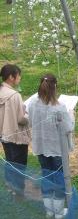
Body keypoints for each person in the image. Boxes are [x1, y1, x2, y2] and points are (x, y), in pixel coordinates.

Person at [29, 74, 74, 218]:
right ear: (55, 87)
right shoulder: (59, 107)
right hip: (56, 149)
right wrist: (72, 115)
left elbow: (30, 122)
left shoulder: (32, 104)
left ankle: (49, 210)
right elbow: (68, 128)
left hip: (40, 147)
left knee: (47, 176)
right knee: (59, 178)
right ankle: (59, 212)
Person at [0, 64, 30, 199]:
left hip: (4, 135)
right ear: (12, 77)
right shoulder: (14, 95)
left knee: (10, 161)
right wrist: (28, 114)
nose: (20, 78)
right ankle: (18, 193)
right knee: (19, 165)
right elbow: (21, 119)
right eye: (18, 76)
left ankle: (11, 189)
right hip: (16, 136)